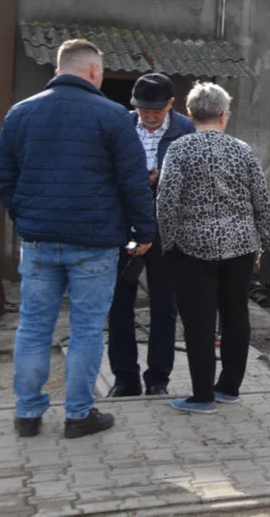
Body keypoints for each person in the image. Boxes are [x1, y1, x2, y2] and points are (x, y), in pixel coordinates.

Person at [0, 39, 155, 439]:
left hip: (39, 242)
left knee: (33, 327)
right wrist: (145, 230)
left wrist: (26, 216)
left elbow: (3, 178)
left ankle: (27, 415)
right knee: (85, 329)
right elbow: (133, 182)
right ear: (95, 72)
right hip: (95, 244)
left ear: (57, 69)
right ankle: (78, 415)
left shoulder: (20, 113)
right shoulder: (114, 116)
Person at [156, 82, 270, 414]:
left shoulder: (179, 150)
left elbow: (166, 202)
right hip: (240, 247)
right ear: (224, 115)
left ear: (190, 113)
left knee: (199, 320)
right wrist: (269, 248)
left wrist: (167, 243)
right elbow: (262, 204)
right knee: (236, 314)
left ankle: (202, 396)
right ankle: (229, 388)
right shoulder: (243, 150)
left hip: (192, 248)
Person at [107, 73, 195, 398]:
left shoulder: (185, 130)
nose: (150, 116)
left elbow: (194, 183)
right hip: (125, 229)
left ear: (171, 104)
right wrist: (132, 183)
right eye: (144, 110)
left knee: (164, 306)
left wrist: (163, 183)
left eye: (157, 110)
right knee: (119, 305)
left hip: (166, 231)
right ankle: (124, 378)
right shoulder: (121, 125)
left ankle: (158, 378)